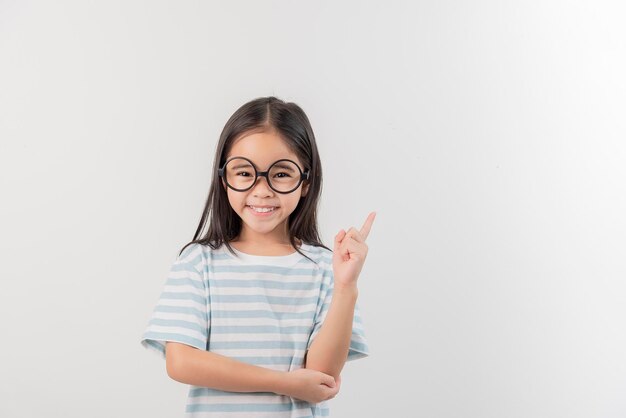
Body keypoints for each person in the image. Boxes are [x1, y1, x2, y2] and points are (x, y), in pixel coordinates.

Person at [140, 96, 376, 417]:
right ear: (224, 178)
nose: (262, 190)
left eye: (280, 174)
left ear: (306, 181)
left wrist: (346, 287)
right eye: (244, 172)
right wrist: (284, 383)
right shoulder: (198, 262)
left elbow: (322, 375)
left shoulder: (327, 268)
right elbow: (181, 362)